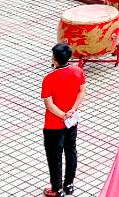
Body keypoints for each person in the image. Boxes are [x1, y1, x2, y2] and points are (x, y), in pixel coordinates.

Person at [41, 43, 85, 197]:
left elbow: (49, 104)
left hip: (54, 125)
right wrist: (72, 110)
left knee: (55, 156)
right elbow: (81, 92)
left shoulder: (49, 78)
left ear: (55, 58)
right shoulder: (77, 71)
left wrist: (61, 115)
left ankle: (57, 189)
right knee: (71, 151)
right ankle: (69, 185)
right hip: (72, 121)